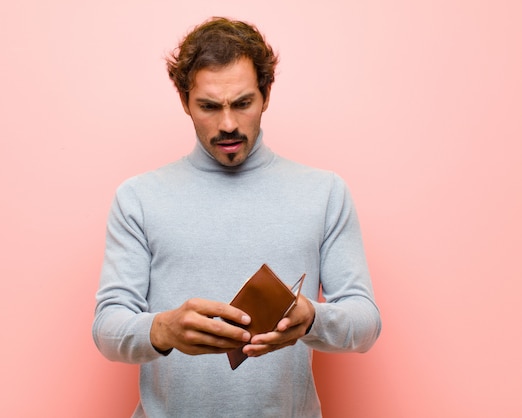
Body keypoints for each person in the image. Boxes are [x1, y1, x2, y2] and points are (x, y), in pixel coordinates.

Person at [92, 16, 381, 418]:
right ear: (185, 102)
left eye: (242, 103)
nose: (228, 124)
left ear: (265, 95)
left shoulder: (325, 193)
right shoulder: (138, 198)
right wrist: (162, 329)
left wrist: (312, 317)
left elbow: (365, 322)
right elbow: (107, 326)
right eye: (209, 106)